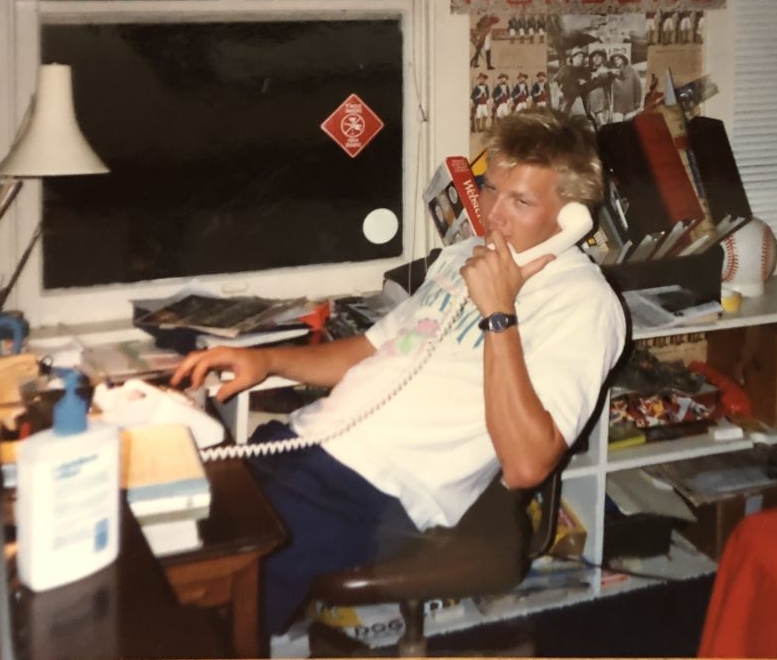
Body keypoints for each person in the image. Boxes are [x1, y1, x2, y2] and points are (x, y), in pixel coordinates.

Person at [172, 108, 627, 636]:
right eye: (490, 189)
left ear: (571, 219)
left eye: (520, 201)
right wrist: (267, 360)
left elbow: (527, 465)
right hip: (305, 447)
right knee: (167, 516)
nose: (492, 215)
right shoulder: (463, 256)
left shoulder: (583, 304)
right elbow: (369, 348)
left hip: (374, 493)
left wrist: (498, 312)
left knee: (207, 596)